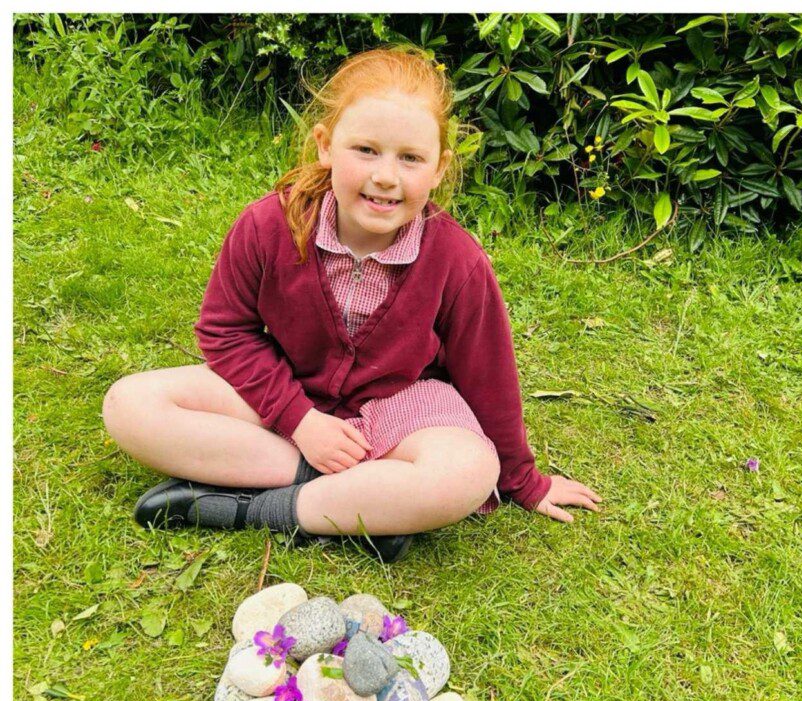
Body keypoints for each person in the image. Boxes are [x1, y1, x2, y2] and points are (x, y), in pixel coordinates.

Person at [100, 45, 598, 565]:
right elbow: (225, 331)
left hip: (403, 406)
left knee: (469, 473)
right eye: (365, 150)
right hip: (288, 393)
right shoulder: (268, 226)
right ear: (325, 146)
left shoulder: (456, 258)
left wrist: (524, 480)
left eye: (410, 158)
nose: (386, 176)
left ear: (439, 168)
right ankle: (364, 503)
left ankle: (258, 509)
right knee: (130, 404)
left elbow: (488, 375)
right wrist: (301, 422)